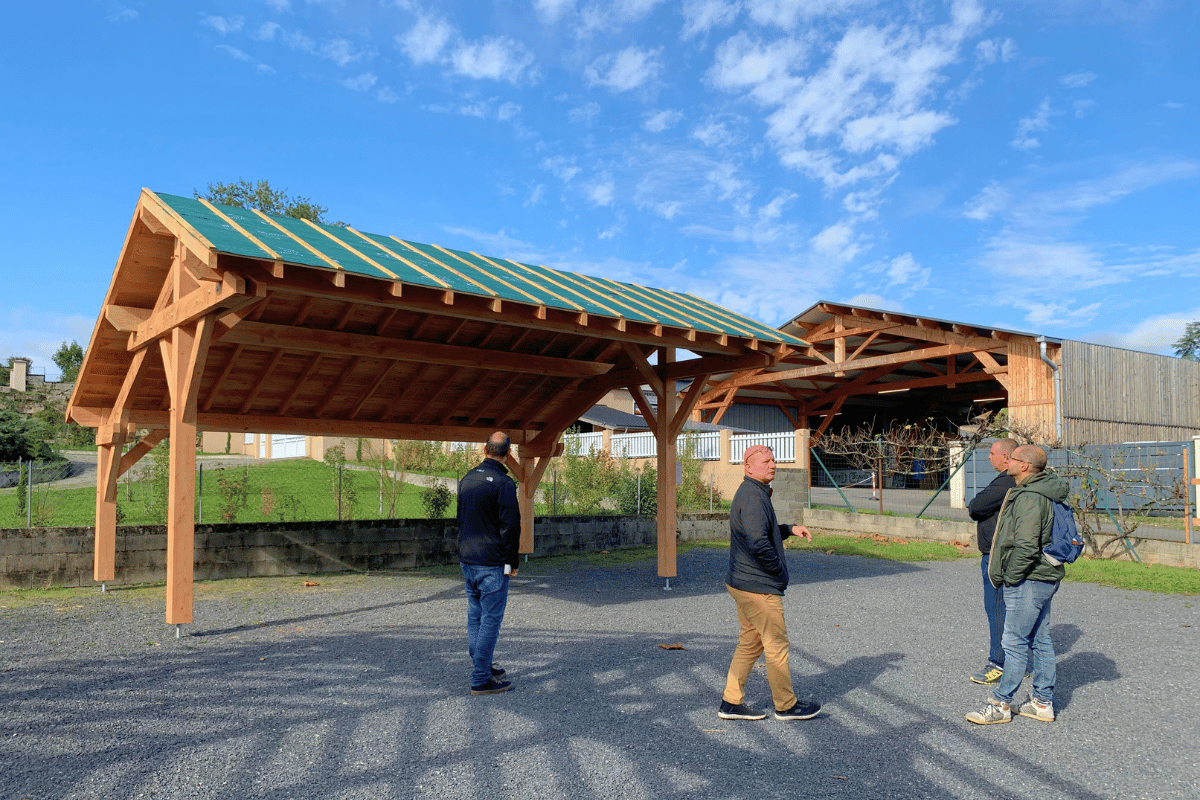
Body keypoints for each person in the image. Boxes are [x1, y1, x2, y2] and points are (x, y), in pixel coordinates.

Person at [718, 445, 822, 722]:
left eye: (773, 460)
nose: (773, 465)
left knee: (750, 643)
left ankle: (731, 702)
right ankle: (786, 706)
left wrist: (788, 529)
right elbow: (757, 541)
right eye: (766, 461)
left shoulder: (754, 492)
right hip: (757, 587)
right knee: (776, 645)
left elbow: (761, 530)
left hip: (741, 582)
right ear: (748, 467)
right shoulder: (752, 496)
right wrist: (777, 570)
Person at [966, 444, 1067, 725]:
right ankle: (1042, 703)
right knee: (1041, 639)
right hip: (1044, 576)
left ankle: (1001, 703)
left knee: (1014, 641)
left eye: (1014, 458)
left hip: (1029, 579)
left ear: (1024, 466)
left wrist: (1010, 577)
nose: (1008, 461)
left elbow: (1025, 545)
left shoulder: (1030, 497)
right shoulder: (1045, 490)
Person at [457, 431, 521, 696]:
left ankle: (481, 663)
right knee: (490, 621)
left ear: (485, 450)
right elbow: (511, 527)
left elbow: (461, 518)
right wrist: (512, 561)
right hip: (492, 561)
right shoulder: (504, 484)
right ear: (508, 454)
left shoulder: (467, 479)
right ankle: (481, 678)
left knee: (475, 616)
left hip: (467, 558)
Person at [966, 438, 1018, 686]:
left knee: (996, 608)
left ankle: (998, 663)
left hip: (997, 556)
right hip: (1011, 554)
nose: (989, 457)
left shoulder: (1006, 482)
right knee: (1014, 610)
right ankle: (1016, 662)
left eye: (992, 452)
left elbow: (976, 506)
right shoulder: (1020, 481)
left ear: (1006, 458)